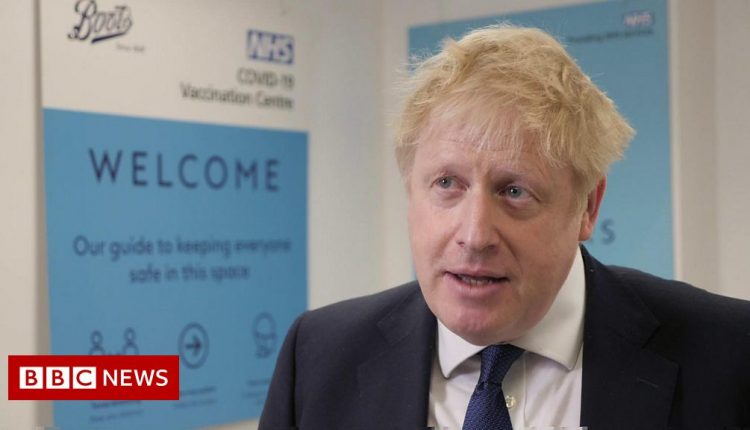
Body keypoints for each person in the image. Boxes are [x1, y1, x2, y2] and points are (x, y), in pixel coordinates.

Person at [259, 25, 750, 429]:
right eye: (447, 183)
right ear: (410, 190)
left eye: (515, 191)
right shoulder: (319, 357)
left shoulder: (730, 355)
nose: (475, 236)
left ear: (587, 207)